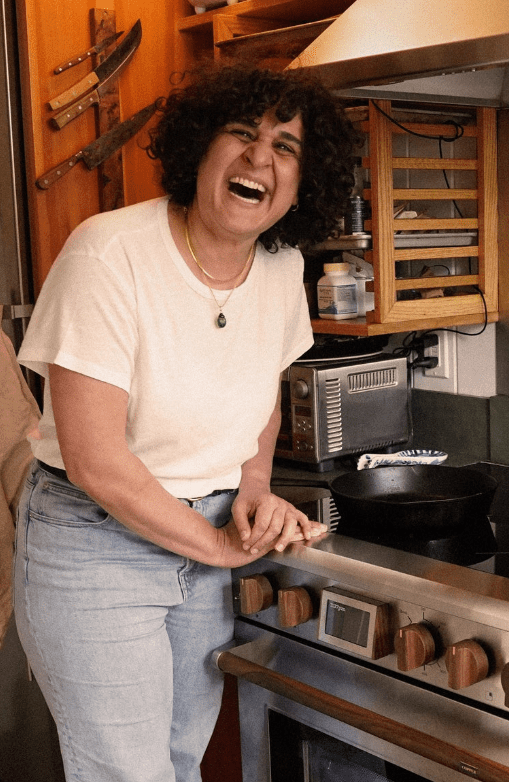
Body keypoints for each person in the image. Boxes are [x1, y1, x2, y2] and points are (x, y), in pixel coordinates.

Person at [14, 63, 359, 782]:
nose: (260, 158)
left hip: (205, 535)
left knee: (179, 761)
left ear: (301, 180)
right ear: (200, 148)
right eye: (242, 134)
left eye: (286, 148)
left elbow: (262, 392)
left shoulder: (279, 265)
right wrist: (220, 547)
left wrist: (254, 487)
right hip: (95, 544)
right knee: (127, 774)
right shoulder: (108, 254)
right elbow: (95, 460)